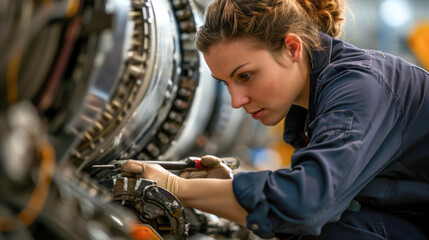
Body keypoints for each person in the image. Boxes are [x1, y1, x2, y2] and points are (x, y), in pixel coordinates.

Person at [121, 0, 429, 239]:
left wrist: (174, 186)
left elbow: (305, 205)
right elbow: (297, 212)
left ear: (292, 48)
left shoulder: (358, 88)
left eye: (246, 75)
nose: (236, 100)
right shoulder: (314, 102)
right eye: (226, 83)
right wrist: (225, 191)